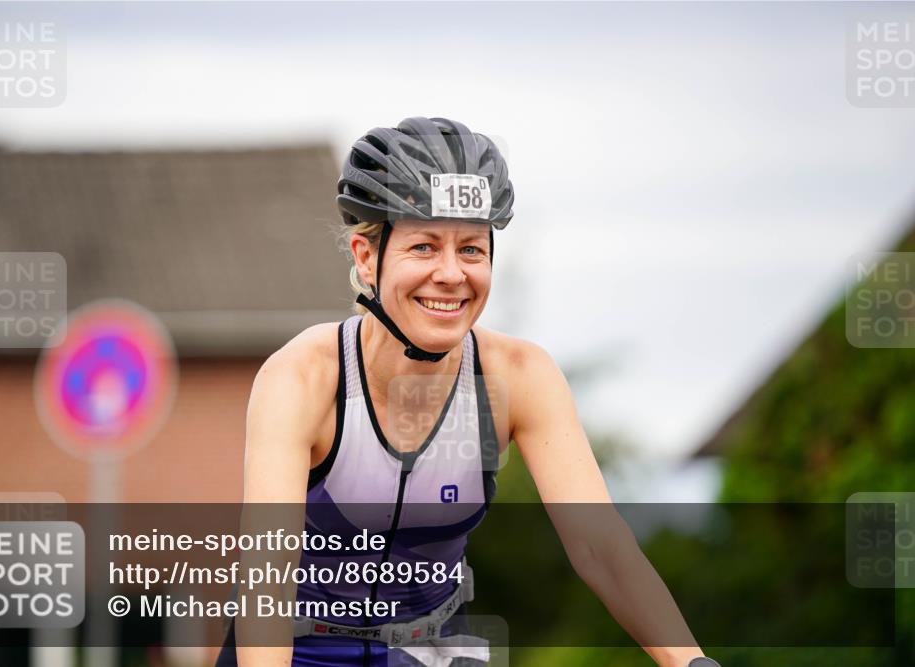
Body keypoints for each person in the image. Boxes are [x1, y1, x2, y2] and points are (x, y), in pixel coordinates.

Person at [215, 117, 720, 667]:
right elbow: (267, 586)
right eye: (425, 247)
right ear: (366, 257)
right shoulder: (301, 379)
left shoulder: (521, 376)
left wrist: (692, 661)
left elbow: (601, 546)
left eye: (472, 249)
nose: (452, 274)